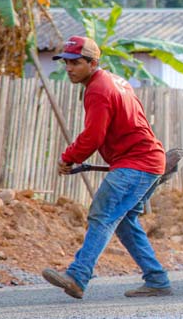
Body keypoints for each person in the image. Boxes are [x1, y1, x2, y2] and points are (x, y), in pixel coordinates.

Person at [41, 36, 171, 299]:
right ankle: (157, 279)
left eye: (76, 63)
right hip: (146, 160)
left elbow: (93, 136)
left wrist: (68, 157)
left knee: (102, 215)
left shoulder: (98, 90)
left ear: (93, 63)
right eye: (66, 62)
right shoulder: (116, 82)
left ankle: (78, 277)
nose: (69, 68)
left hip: (137, 163)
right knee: (124, 223)